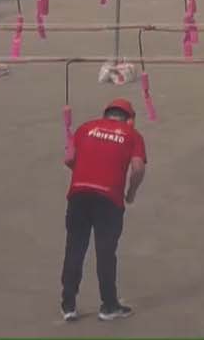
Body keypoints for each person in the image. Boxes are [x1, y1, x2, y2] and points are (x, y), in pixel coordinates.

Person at [60, 98, 147, 322]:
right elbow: (137, 168)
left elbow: (69, 158)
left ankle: (68, 305)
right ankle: (109, 306)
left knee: (75, 248)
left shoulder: (85, 128)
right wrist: (131, 192)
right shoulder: (133, 136)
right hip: (109, 199)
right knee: (106, 252)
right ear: (130, 119)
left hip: (79, 194)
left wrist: (84, 172)